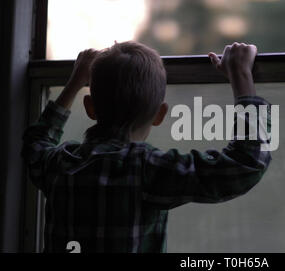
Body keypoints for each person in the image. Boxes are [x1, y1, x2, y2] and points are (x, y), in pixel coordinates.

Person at [22, 41, 272, 253]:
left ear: (90, 107)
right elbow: (245, 164)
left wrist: (75, 82)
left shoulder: (61, 165)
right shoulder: (147, 170)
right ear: (159, 114)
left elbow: (35, 143)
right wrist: (241, 76)